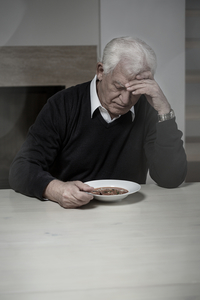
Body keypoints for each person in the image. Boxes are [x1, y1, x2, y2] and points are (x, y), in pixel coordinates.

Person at [9, 36, 187, 208]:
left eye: (135, 91)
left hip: (127, 212)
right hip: (70, 212)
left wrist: (164, 111)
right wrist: (56, 189)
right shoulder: (62, 104)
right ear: (101, 71)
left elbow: (171, 179)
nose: (125, 100)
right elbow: (21, 168)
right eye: (119, 87)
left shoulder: (148, 110)